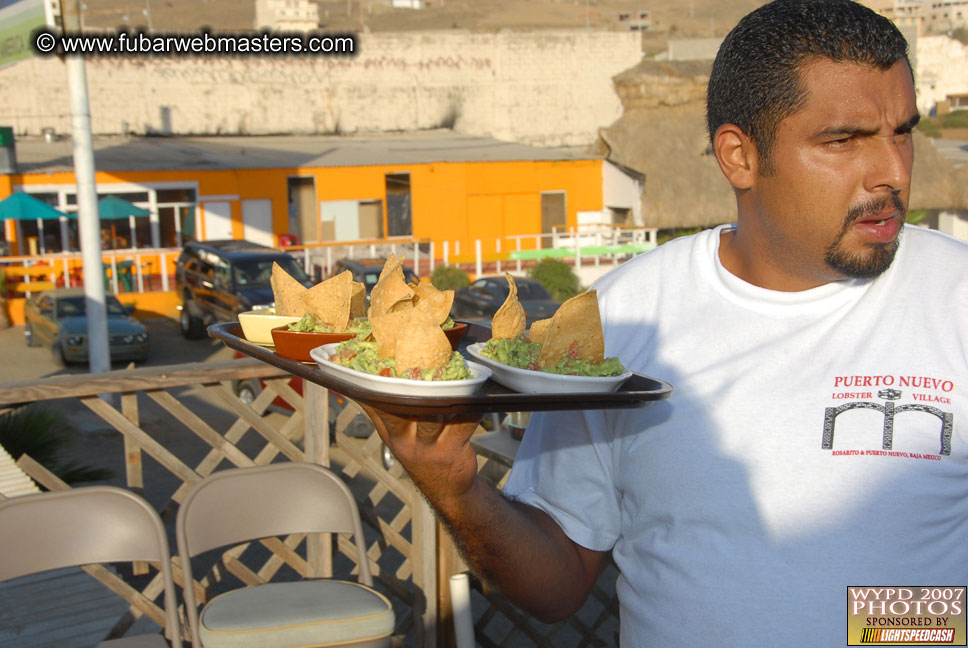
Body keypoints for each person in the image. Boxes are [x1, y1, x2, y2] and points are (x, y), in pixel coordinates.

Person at [364, 1, 968, 645]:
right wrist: (453, 485)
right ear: (738, 156)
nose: (894, 173)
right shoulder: (623, 318)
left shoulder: (956, 297)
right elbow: (556, 585)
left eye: (902, 131)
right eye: (844, 141)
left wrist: (894, 626)